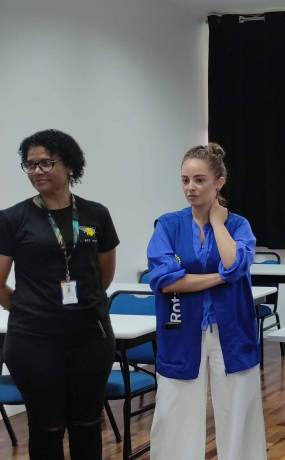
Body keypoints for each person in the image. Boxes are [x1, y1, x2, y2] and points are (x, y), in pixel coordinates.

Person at [0, 129, 119, 459]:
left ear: (69, 166)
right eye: (30, 165)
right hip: (34, 341)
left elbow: (103, 274)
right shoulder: (12, 219)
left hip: (90, 338)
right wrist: (27, 308)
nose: (36, 171)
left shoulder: (96, 214)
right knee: (46, 427)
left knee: (87, 424)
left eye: (46, 163)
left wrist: (83, 304)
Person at [145, 143, 266, 460]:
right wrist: (221, 278)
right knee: (175, 412)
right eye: (185, 180)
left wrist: (217, 222)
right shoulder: (168, 225)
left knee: (239, 412)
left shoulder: (237, 225)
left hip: (231, 329)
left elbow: (235, 264)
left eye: (199, 180)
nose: (190, 188)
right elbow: (165, 280)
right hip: (181, 327)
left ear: (219, 182)